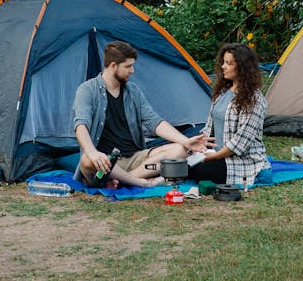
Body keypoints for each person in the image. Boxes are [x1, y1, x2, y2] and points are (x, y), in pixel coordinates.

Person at [73, 40, 212, 188]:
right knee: (87, 160)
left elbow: (154, 122)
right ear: (113, 66)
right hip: (105, 163)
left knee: (180, 150)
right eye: (128, 66)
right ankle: (140, 182)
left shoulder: (133, 91)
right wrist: (92, 152)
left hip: (135, 160)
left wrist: (186, 141)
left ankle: (125, 180)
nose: (132, 71)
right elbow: (81, 125)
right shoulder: (87, 90)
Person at [187, 42, 271, 187]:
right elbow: (209, 127)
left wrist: (213, 157)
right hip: (215, 154)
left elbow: (240, 143)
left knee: (200, 170)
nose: (223, 67)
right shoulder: (222, 92)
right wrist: (201, 147)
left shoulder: (254, 100)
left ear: (242, 67)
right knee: (182, 159)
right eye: (223, 62)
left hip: (239, 159)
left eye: (229, 63)